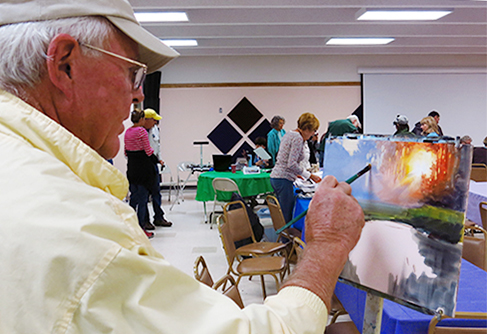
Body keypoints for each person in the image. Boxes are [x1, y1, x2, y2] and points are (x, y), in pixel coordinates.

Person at [0, 1, 365, 333]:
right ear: (65, 64)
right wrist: (326, 246)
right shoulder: (77, 229)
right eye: (133, 74)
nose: (138, 95)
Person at [270, 113, 323, 224]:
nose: (314, 134)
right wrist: (310, 175)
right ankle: (286, 239)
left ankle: (283, 237)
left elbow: (285, 159)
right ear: (307, 129)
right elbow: (292, 164)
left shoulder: (289, 134)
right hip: (283, 179)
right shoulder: (298, 138)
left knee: (282, 212)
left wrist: (297, 173)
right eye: (314, 131)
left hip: (277, 177)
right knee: (286, 215)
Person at [124, 109, 158, 237]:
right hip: (143, 169)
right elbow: (148, 151)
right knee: (143, 200)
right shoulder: (141, 131)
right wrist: (157, 160)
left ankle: (131, 228)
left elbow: (126, 152)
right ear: (142, 119)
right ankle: (141, 229)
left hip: (132, 168)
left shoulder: (128, 132)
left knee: (133, 199)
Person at [143, 108, 172, 228]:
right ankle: (145, 220)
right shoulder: (139, 131)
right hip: (143, 166)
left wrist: (159, 159)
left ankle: (159, 217)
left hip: (154, 164)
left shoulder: (155, 129)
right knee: (144, 195)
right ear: (146, 120)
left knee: (156, 193)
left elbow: (157, 145)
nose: (155, 122)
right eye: (154, 120)